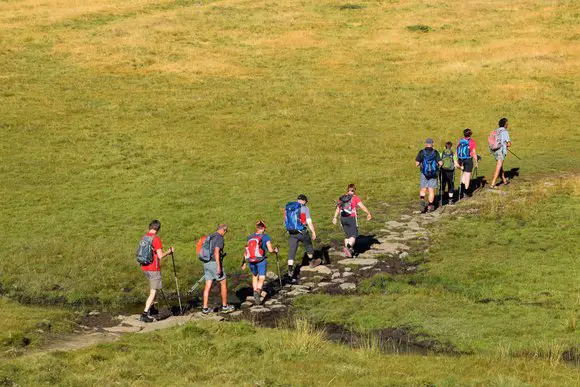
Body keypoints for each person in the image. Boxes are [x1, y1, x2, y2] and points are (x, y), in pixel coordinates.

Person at [138, 220, 174, 323]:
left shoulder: (144, 237)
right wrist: (169, 251)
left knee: (154, 289)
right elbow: (160, 256)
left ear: (150, 227)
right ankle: (144, 314)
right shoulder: (156, 239)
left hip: (145, 267)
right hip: (154, 268)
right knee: (153, 291)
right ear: (158, 229)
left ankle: (152, 308)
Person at [241, 221, 278, 305]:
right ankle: (257, 291)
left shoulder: (250, 237)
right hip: (261, 260)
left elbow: (246, 250)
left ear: (256, 228)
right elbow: (270, 250)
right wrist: (275, 251)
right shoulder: (266, 237)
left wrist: (244, 262)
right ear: (264, 228)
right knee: (261, 278)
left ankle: (255, 294)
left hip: (251, 260)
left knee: (254, 276)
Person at [201, 224, 235, 314]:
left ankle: (205, 308)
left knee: (208, 285)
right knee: (223, 282)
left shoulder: (211, 236)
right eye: (225, 231)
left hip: (206, 262)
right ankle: (225, 306)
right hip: (214, 263)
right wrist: (219, 267)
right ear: (223, 230)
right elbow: (216, 252)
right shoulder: (219, 238)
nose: (225, 233)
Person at [332, 184, 372, 257]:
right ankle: (348, 248)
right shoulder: (355, 198)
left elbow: (338, 208)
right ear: (354, 190)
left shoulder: (342, 197)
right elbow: (362, 206)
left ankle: (348, 252)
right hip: (351, 218)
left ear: (347, 190)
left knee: (347, 236)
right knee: (354, 235)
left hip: (342, 218)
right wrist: (368, 213)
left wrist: (335, 217)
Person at [285, 194, 318, 279]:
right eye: (306, 201)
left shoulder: (290, 207)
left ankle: (290, 269)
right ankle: (311, 262)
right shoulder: (304, 208)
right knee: (308, 244)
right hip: (301, 232)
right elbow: (308, 221)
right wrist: (313, 232)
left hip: (292, 232)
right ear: (303, 201)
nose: (306, 203)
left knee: (292, 250)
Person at [415, 138, 442, 212]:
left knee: (423, 188)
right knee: (431, 190)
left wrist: (421, 165)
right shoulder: (435, 152)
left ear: (426, 143)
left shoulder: (421, 152)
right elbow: (440, 163)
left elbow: (416, 164)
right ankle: (430, 206)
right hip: (433, 174)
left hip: (424, 173)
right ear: (432, 144)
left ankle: (422, 201)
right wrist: (438, 167)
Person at [489, 117, 512, 189]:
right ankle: (493, 183)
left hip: (494, 150)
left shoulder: (496, 131)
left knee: (500, 165)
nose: (507, 125)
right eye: (507, 124)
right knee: (499, 165)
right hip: (500, 151)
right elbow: (509, 143)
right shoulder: (505, 132)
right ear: (505, 125)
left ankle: (504, 180)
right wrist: (507, 145)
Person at [456, 128, 478, 198]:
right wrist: (476, 161)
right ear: (470, 134)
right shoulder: (472, 142)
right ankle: (466, 191)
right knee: (467, 175)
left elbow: (457, 151)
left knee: (463, 173)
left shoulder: (460, 141)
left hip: (460, 159)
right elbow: (474, 153)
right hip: (468, 159)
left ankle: (461, 189)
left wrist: (457, 161)